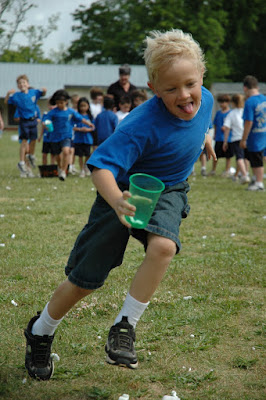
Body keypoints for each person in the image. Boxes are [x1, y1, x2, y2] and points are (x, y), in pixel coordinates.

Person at [23, 28, 216, 381]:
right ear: (155, 89)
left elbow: (201, 118)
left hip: (169, 188)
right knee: (85, 280)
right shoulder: (140, 124)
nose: (185, 95)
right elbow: (100, 166)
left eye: (190, 84)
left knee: (163, 246)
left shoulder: (205, 99)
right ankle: (41, 331)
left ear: (202, 75)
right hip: (123, 192)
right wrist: (116, 202)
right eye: (171, 89)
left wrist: (206, 137)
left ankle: (124, 325)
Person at [45, 89, 94, 181]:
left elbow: (80, 118)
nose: (60, 105)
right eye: (58, 103)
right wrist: (46, 125)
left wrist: (88, 124)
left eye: (62, 103)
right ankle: (60, 167)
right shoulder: (53, 112)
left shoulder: (70, 112)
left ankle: (63, 171)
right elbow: (46, 121)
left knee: (66, 151)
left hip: (66, 136)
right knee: (58, 156)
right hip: (55, 137)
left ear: (66, 102)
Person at [4, 74, 46, 174]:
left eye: (24, 82)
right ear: (18, 86)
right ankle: (22, 162)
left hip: (33, 121)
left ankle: (31, 156)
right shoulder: (16, 96)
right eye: (19, 83)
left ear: (28, 84)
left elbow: (43, 93)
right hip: (24, 121)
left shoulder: (33, 92)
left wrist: (44, 90)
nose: (22, 84)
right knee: (24, 142)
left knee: (34, 139)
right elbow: (6, 102)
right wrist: (8, 94)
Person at [240, 75, 266, 191]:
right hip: (264, 133)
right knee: (257, 157)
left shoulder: (250, 102)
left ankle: (259, 183)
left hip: (255, 135)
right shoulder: (264, 99)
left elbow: (248, 122)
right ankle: (256, 178)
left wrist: (244, 139)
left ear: (245, 88)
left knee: (256, 159)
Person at [223, 94, 250, 184]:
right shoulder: (245, 112)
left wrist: (225, 141)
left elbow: (227, 128)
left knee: (239, 158)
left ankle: (244, 176)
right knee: (246, 157)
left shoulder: (231, 113)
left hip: (236, 138)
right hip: (246, 137)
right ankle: (245, 173)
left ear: (233, 103)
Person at [208, 94, 233, 176]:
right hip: (219, 138)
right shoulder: (218, 113)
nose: (222, 104)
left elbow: (234, 125)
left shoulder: (231, 113)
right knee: (216, 155)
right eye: (220, 102)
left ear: (228, 102)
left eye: (224, 102)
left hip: (228, 138)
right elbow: (215, 124)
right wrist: (215, 134)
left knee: (228, 156)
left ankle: (227, 170)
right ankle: (213, 170)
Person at [73, 97, 94, 177]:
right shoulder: (76, 116)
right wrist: (80, 129)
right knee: (80, 155)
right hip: (78, 139)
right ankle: (82, 169)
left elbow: (93, 127)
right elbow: (73, 127)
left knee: (88, 154)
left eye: (84, 106)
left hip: (88, 139)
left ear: (88, 106)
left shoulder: (90, 116)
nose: (83, 108)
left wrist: (88, 130)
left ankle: (86, 166)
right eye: (81, 106)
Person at [69, 94, 80, 175]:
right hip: (72, 133)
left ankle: (73, 165)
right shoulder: (70, 111)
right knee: (71, 150)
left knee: (76, 151)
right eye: (75, 102)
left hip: (80, 134)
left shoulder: (81, 111)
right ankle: (70, 165)